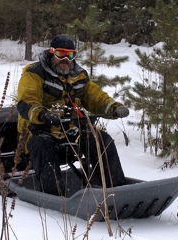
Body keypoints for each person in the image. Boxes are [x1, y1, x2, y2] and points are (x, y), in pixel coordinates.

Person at [17, 34, 129, 196]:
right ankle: (54, 196)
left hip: (70, 132)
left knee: (100, 140)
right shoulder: (34, 74)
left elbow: (95, 97)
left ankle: (116, 190)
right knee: (44, 145)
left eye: (70, 55)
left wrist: (113, 107)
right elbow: (27, 101)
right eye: (60, 54)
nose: (65, 60)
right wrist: (43, 115)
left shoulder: (78, 76)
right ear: (51, 53)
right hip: (38, 130)